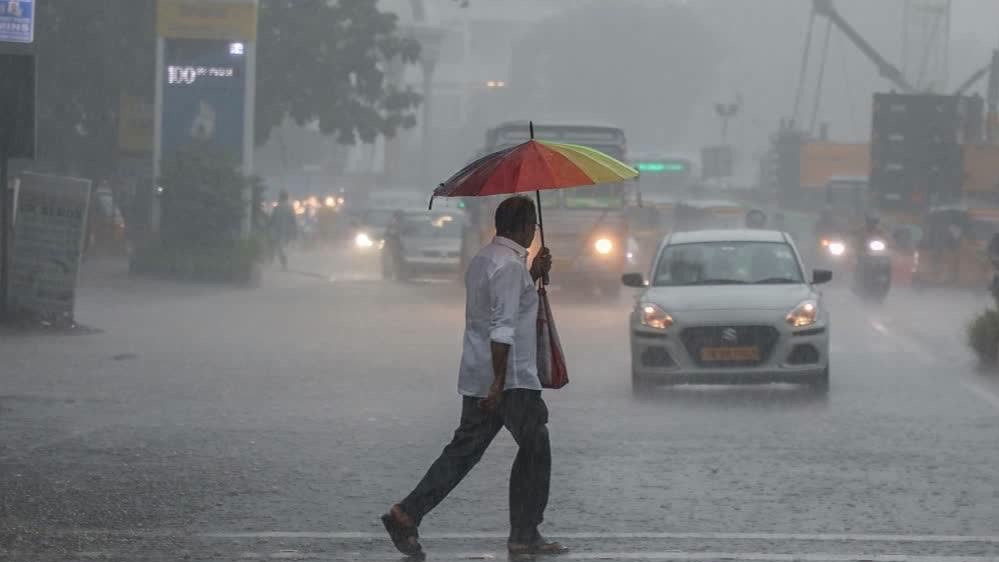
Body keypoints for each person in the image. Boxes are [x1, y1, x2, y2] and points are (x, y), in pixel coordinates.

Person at [381, 196, 565, 557]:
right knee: (536, 447)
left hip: (480, 373)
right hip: (510, 379)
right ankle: (525, 534)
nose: (534, 232)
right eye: (534, 226)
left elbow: (501, 306)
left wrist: (532, 275)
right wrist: (498, 384)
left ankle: (407, 513)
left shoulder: (486, 259)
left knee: (463, 452)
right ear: (525, 226)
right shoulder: (509, 267)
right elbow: (503, 327)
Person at [270, 190, 298, 270]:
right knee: (283, 247)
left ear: (280, 197)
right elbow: (293, 220)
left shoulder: (277, 207)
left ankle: (283, 263)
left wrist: (270, 227)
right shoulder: (290, 208)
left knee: (280, 248)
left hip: (278, 232)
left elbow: (272, 219)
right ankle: (284, 263)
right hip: (286, 232)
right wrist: (294, 231)